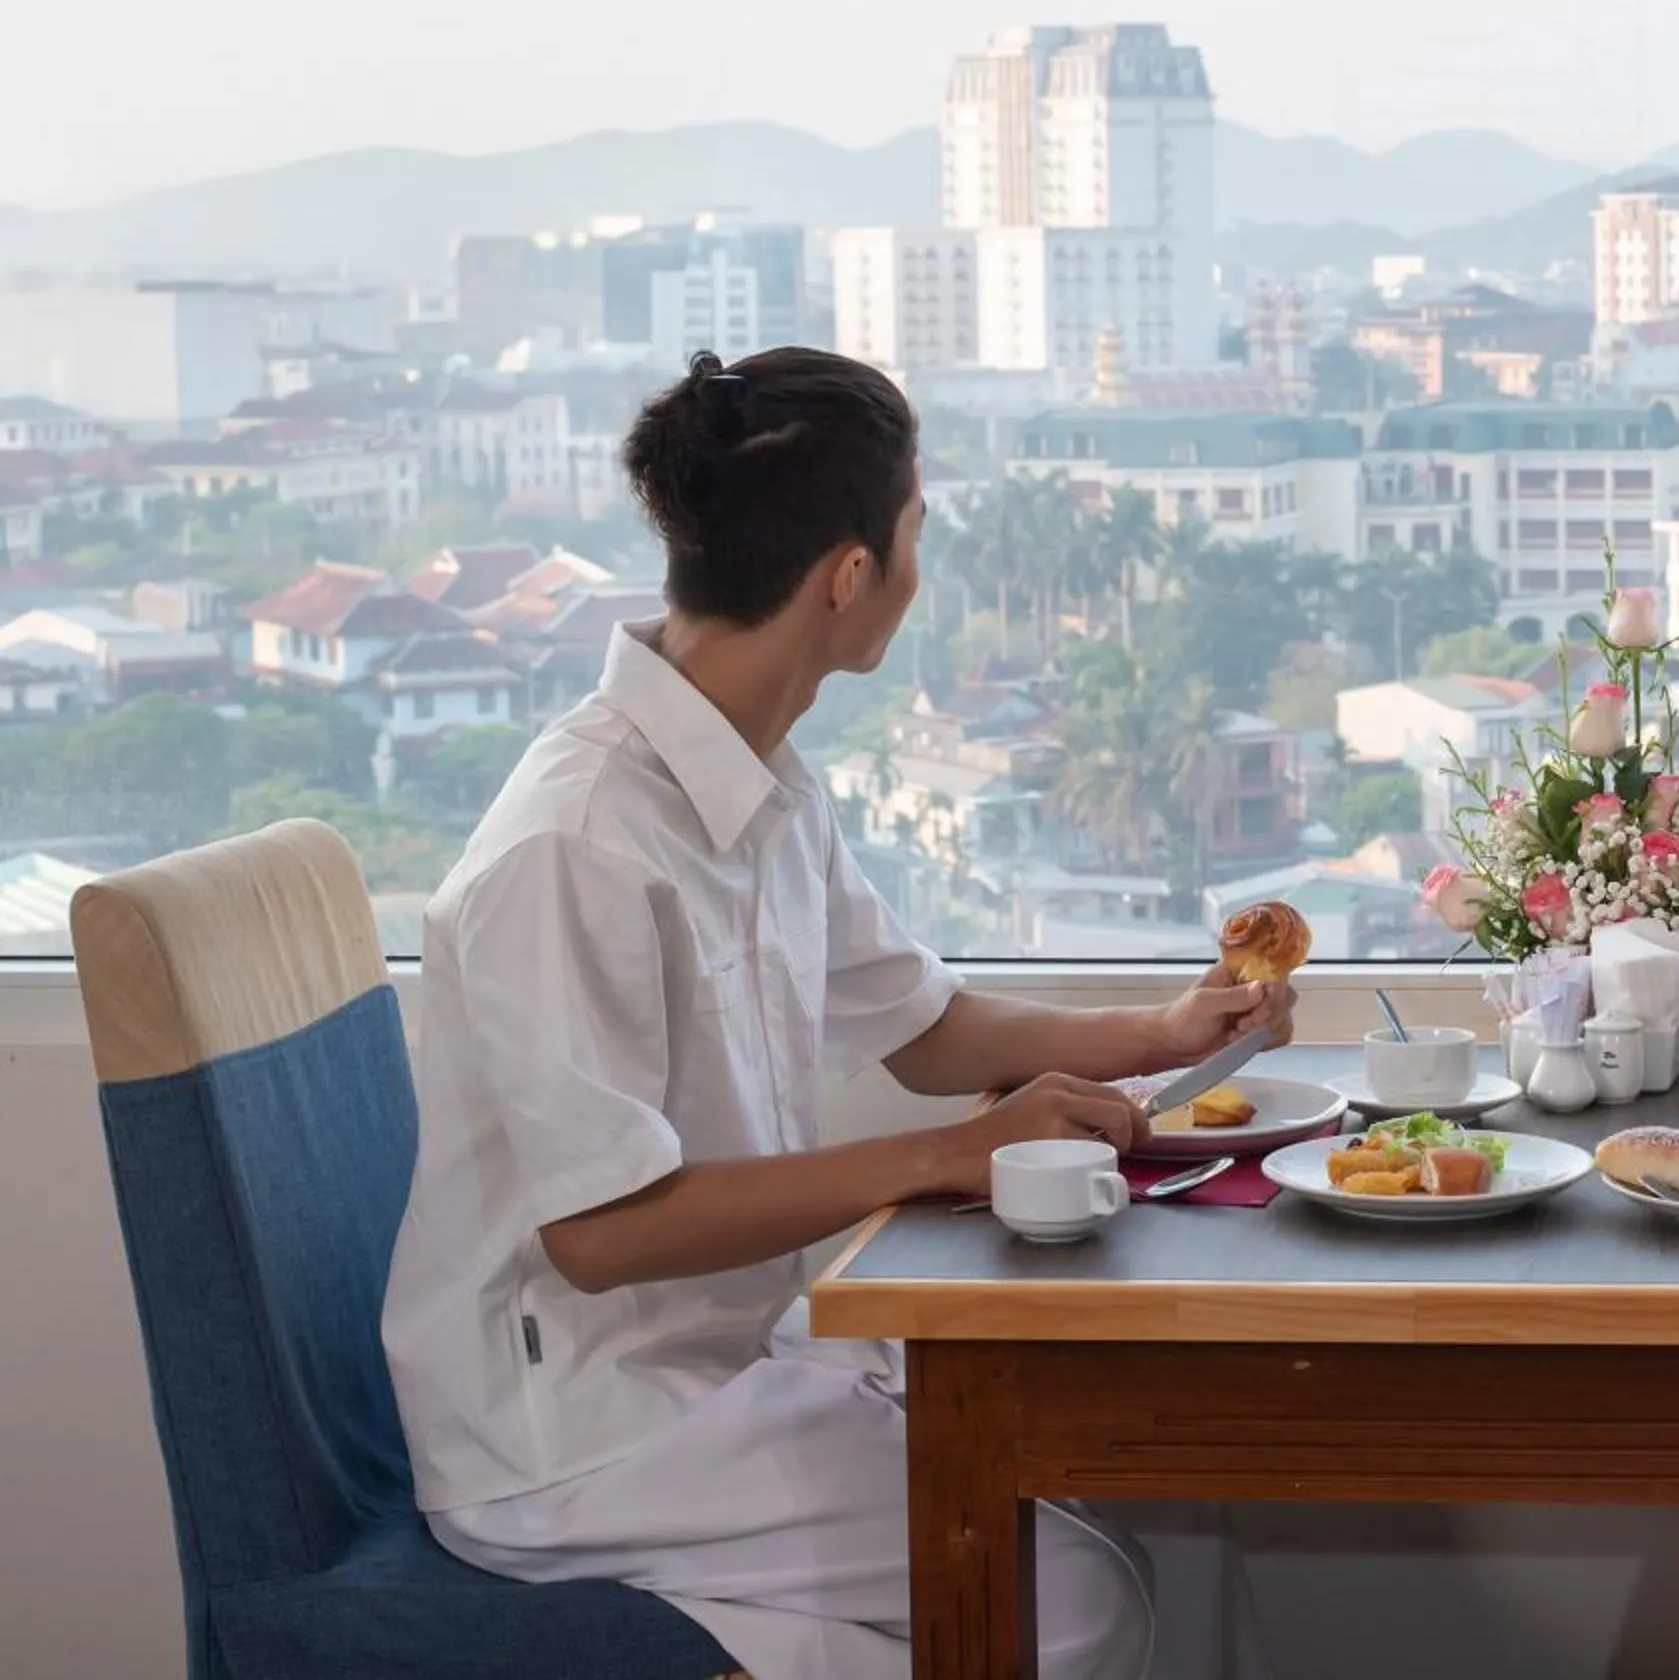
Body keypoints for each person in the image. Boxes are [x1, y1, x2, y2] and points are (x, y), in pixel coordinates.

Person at [382, 348, 1288, 1680]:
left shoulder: (758, 779)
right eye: (915, 537)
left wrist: (1158, 1033)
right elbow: (597, 1232)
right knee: (1073, 1601)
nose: (920, 576)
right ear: (850, 576)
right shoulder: (574, 843)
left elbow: (924, 1030)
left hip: (733, 1353)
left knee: (1152, 1477)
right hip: (577, 1431)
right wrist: (945, 1161)